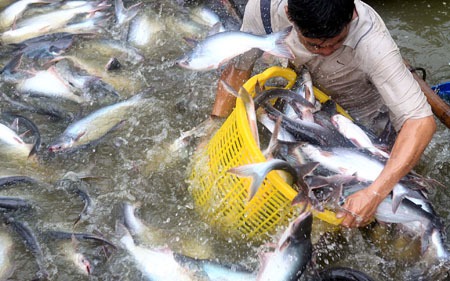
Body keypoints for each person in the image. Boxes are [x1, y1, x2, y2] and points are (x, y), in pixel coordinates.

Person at [211, 0, 436, 228]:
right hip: (307, 106)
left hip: (367, 125)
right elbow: (240, 68)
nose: (327, 51)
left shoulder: (372, 40)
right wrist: (214, 124)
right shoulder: (263, 9)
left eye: (337, 42)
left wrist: (375, 192)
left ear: (353, 15)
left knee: (387, 221)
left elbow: (421, 122)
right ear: (289, 15)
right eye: (315, 45)